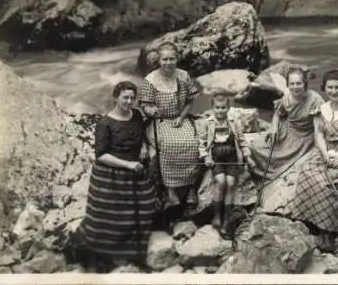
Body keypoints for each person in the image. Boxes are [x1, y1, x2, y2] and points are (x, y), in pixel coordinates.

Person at [75, 81, 156, 271]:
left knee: (143, 210)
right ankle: (101, 257)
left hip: (136, 172)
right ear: (115, 98)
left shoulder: (136, 115)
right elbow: (101, 155)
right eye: (125, 97)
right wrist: (128, 164)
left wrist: (144, 146)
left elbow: (141, 133)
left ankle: (136, 256)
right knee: (109, 218)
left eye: (132, 98)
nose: (129, 101)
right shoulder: (105, 123)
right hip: (111, 175)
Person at [287, 69, 338, 252]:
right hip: (328, 151)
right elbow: (319, 135)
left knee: (328, 180)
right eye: (329, 87)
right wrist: (325, 154)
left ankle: (328, 231)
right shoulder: (323, 108)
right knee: (308, 171)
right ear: (324, 88)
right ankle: (310, 220)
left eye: (337, 87)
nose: (333, 91)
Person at [138, 41, 201, 218]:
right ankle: (171, 189)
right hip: (159, 121)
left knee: (192, 143)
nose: (168, 63)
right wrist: (151, 110)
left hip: (179, 119)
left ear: (177, 59)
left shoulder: (184, 76)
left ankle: (190, 188)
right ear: (159, 60)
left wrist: (181, 117)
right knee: (168, 145)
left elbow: (190, 100)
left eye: (172, 59)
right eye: (165, 59)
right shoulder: (150, 80)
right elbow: (144, 105)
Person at [197, 92, 256, 237]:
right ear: (212, 108)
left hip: (231, 159)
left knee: (230, 183)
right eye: (217, 108)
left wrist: (248, 156)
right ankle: (217, 215)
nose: (220, 110)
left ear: (228, 108)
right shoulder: (208, 122)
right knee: (220, 180)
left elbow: (242, 141)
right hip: (216, 159)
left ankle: (226, 219)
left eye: (223, 108)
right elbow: (201, 143)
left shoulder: (233, 122)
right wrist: (205, 158)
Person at [250, 69, 325, 180]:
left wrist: (319, 149)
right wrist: (273, 127)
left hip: (305, 136)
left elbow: (318, 129)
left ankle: (276, 174)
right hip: (287, 130)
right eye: (292, 84)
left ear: (305, 83)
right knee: (256, 147)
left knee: (287, 158)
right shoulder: (287, 98)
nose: (295, 87)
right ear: (288, 85)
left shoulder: (315, 100)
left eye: (298, 83)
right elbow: (277, 114)